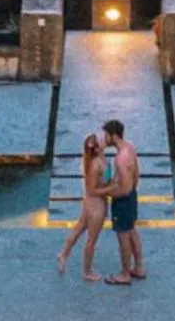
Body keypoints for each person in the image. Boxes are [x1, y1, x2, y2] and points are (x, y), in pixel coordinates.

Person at [56, 133, 109, 281]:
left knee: (78, 228)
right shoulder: (96, 164)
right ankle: (87, 272)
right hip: (96, 205)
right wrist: (111, 189)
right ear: (98, 146)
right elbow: (93, 189)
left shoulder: (98, 160)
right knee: (91, 240)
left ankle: (63, 254)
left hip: (90, 203)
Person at [100, 117, 145, 284]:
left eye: (106, 135)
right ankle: (139, 268)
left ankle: (124, 274)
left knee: (123, 237)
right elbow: (136, 175)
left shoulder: (120, 159)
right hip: (132, 196)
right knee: (132, 230)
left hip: (123, 201)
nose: (105, 139)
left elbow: (124, 188)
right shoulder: (130, 148)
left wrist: (109, 194)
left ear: (113, 135)